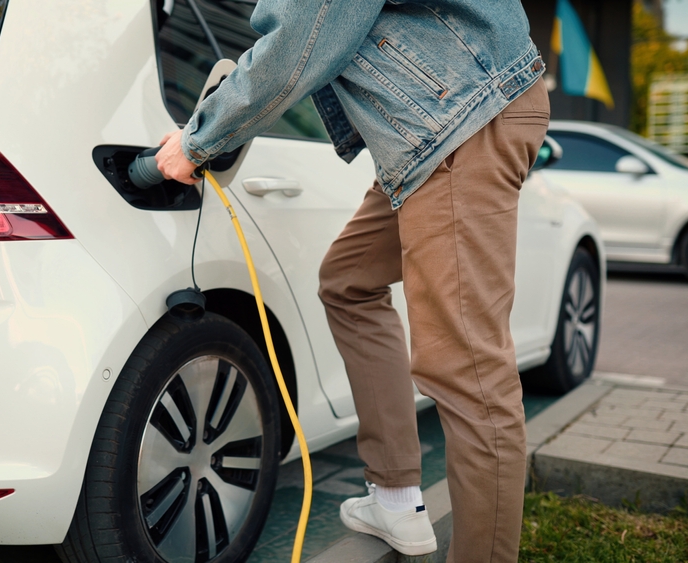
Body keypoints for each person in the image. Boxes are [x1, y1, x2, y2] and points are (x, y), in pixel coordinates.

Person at [155, 1, 550, 561]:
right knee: (349, 281)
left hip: (462, 120)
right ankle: (395, 496)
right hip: (443, 125)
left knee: (470, 373)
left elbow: (300, 38)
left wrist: (199, 139)